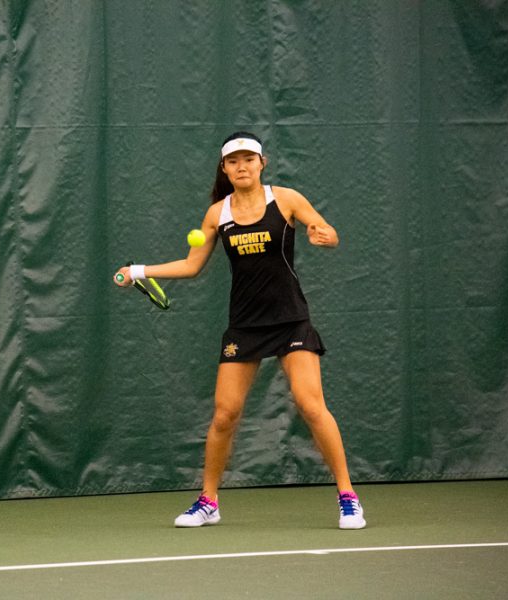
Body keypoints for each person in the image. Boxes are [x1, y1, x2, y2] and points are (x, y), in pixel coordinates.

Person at [114, 132, 366, 530]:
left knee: (311, 404)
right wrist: (139, 271)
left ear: (262, 163)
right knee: (224, 414)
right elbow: (191, 264)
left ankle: (348, 497)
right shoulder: (218, 213)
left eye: (249, 159)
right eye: (234, 161)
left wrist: (326, 237)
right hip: (244, 325)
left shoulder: (286, 199)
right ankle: (208, 501)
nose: (242, 166)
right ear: (225, 168)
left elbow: (326, 231)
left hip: (290, 320)